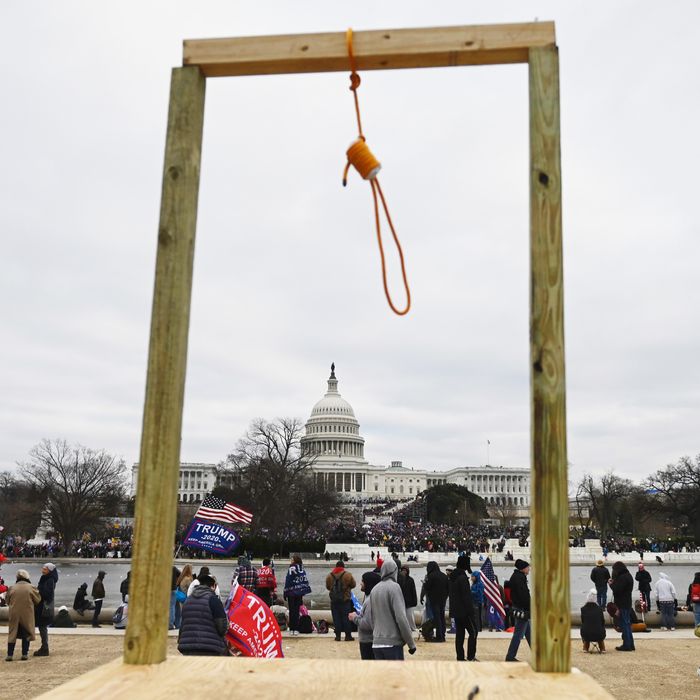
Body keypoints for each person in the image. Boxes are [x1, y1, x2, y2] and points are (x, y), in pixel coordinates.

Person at [366, 559, 416, 660]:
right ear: (395, 572)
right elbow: (401, 617)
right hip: (392, 643)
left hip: (376, 643)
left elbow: (371, 618)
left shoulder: (374, 589)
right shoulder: (394, 587)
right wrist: (411, 644)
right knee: (395, 675)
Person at [177, 574, 227, 656]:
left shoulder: (188, 600)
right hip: (210, 647)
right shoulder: (214, 600)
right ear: (213, 586)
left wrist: (181, 641)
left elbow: (183, 624)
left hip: (188, 647)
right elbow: (222, 627)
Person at [6, 570, 40, 661]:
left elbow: (7, 600)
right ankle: (24, 654)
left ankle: (10, 654)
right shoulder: (31, 587)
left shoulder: (12, 588)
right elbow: (37, 600)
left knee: (12, 633)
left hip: (14, 613)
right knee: (27, 633)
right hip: (27, 613)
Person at [449, 555, 478, 661]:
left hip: (456, 611)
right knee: (473, 632)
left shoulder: (452, 577)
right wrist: (471, 611)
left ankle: (460, 657)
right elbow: (466, 597)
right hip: (465, 611)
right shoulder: (462, 578)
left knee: (460, 634)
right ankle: (471, 656)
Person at [505, 559, 531, 662]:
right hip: (522, 609)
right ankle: (510, 656)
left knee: (529, 634)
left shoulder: (516, 576)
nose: (529, 569)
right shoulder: (520, 578)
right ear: (523, 568)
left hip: (519, 608)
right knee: (518, 635)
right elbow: (523, 595)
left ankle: (539, 655)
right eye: (528, 567)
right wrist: (529, 608)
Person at [326, 560, 356, 642]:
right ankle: (348, 636)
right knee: (346, 618)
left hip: (334, 600)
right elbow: (353, 584)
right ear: (343, 567)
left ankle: (338, 636)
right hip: (345, 600)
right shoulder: (348, 575)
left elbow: (328, 587)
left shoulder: (330, 576)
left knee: (336, 618)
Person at [609, 561, 635, 651]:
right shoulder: (628, 576)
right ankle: (630, 644)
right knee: (627, 624)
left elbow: (617, 590)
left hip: (622, 603)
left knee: (624, 624)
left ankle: (627, 644)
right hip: (627, 602)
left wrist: (611, 584)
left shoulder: (623, 578)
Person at [34, 563, 58, 657]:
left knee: (42, 627)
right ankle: (44, 646)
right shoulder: (47, 578)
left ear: (49, 570)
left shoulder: (49, 580)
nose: (42, 570)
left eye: (44, 569)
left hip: (44, 607)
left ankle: (45, 647)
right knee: (42, 627)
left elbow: (48, 594)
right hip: (42, 606)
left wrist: (38, 591)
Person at [284, 554, 311, 636]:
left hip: (291, 593)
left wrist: (285, 592)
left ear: (294, 560)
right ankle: (296, 629)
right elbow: (304, 580)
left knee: (292, 611)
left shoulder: (291, 568)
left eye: (292, 559)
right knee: (297, 611)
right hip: (299, 593)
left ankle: (292, 628)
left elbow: (288, 580)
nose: (291, 561)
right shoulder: (302, 569)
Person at [348, 576, 374, 660]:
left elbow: (368, 624)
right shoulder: (368, 597)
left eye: (363, 581)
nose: (360, 583)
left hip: (368, 641)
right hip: (367, 639)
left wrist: (355, 618)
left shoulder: (370, 600)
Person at [423, 561, 449, 643]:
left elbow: (427, 587)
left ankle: (439, 636)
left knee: (437, 618)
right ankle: (442, 635)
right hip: (442, 600)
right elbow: (448, 588)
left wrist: (424, 583)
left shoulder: (430, 576)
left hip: (434, 600)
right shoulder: (444, 576)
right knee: (442, 617)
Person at [580, 588, 606, 653]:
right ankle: (602, 648)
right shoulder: (599, 609)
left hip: (586, 634)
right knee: (599, 629)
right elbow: (602, 621)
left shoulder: (583, 609)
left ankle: (585, 647)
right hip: (599, 634)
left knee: (585, 628)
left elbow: (583, 621)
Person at [398, 565, 418, 632]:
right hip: (401, 601)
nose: (404, 572)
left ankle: (413, 628)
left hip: (409, 601)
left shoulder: (410, 580)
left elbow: (413, 591)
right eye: (403, 570)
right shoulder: (398, 580)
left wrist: (414, 601)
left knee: (410, 616)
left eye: (405, 570)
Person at [169, 565, 181, 630]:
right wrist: (177, 582)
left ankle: (170, 624)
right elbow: (180, 574)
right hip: (173, 589)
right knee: (172, 606)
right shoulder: (173, 568)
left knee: (170, 606)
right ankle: (173, 624)